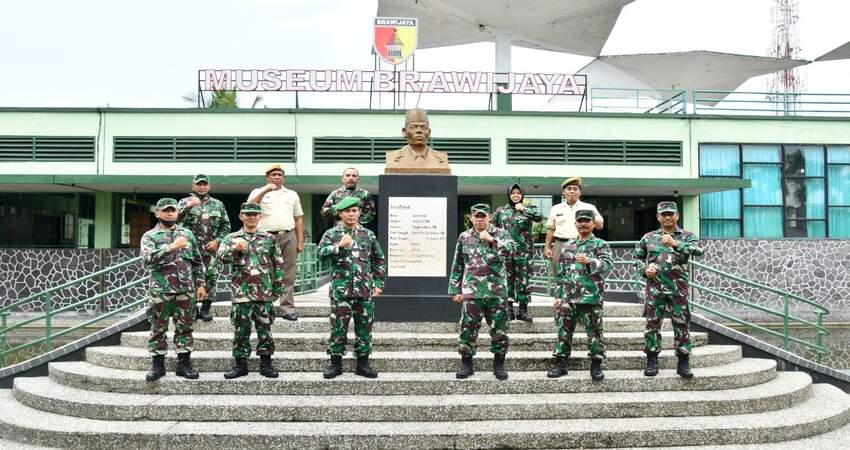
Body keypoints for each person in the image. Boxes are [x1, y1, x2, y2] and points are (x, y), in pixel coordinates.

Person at [317, 197, 386, 379]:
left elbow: (378, 259)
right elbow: (319, 255)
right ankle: (335, 364)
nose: (351, 214)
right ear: (340, 214)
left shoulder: (368, 235)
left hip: (364, 290)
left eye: (354, 211)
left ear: (359, 213)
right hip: (341, 290)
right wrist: (338, 246)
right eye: (347, 211)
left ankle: (362, 364)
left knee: (364, 328)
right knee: (338, 328)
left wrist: (378, 283)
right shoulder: (331, 234)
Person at [634, 201, 704, 379]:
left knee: (681, 325)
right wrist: (644, 270)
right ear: (658, 217)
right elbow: (637, 257)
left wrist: (675, 244)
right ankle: (652, 360)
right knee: (652, 325)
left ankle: (683, 362)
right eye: (663, 214)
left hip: (677, 289)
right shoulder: (648, 237)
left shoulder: (686, 235)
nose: (667, 217)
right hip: (655, 289)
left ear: (677, 216)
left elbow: (698, 251)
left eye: (670, 214)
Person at [140, 198, 205, 382]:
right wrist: (172, 247)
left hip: (185, 289)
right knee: (158, 328)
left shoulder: (187, 234)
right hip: (161, 290)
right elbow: (147, 259)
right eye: (166, 210)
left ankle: (184, 365)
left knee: (185, 327)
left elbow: (197, 262)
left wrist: (200, 284)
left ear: (177, 212)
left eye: (173, 210)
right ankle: (158, 366)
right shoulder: (150, 236)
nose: (170, 213)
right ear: (157, 213)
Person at [216, 202, 284, 379]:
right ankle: (240, 365)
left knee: (265, 330)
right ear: (241, 216)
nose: (252, 217)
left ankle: (266, 364)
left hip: (263, 292)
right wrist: (234, 249)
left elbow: (278, 264)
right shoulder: (231, 238)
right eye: (248, 214)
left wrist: (277, 287)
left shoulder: (268, 238)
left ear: (259, 217)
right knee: (241, 331)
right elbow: (221, 258)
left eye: (255, 214)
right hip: (241, 294)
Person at [448, 203, 516, 380]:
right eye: (476, 216)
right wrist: (455, 289)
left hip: (496, 292)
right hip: (472, 292)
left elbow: (512, 252)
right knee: (468, 330)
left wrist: (492, 240)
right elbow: (457, 264)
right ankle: (467, 364)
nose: (480, 220)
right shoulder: (464, 237)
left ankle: (499, 365)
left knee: (499, 331)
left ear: (490, 217)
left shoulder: (502, 234)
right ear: (471, 218)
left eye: (483, 216)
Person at [547, 210, 612, 381]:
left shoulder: (600, 244)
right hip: (569, 298)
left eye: (587, 221)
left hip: (591, 297)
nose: (583, 224)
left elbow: (607, 266)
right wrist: (558, 295)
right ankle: (561, 364)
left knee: (595, 333)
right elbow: (560, 273)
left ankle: (596, 365)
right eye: (580, 221)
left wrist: (590, 261)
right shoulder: (568, 246)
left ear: (593, 224)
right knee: (563, 331)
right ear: (575, 224)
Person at [248, 163, 304, 321]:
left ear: (284, 177)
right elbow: (250, 206)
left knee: (289, 272)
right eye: (273, 175)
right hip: (265, 237)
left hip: (288, 235)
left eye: (280, 174)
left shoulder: (292, 194)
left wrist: (300, 240)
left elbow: (298, 218)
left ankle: (287, 308)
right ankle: (265, 307)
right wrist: (267, 189)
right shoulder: (258, 192)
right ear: (267, 177)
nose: (277, 177)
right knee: (264, 271)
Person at [177, 174, 231, 322]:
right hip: (189, 249)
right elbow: (173, 221)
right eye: (199, 184)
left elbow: (226, 226)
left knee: (211, 277)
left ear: (209, 186)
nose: (202, 187)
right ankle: (192, 308)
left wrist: (217, 241)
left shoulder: (218, 204)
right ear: (193, 186)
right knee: (189, 277)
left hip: (210, 249)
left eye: (204, 184)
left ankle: (206, 309)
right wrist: (188, 207)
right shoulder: (183, 202)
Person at [493, 183, 544, 322]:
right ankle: (508, 309)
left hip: (524, 252)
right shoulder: (500, 211)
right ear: (509, 195)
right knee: (506, 280)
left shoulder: (529, 209)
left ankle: (523, 310)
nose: (516, 195)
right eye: (513, 193)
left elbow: (539, 217)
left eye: (518, 193)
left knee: (524, 281)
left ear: (522, 195)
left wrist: (524, 209)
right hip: (505, 253)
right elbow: (493, 229)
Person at [544, 177, 603, 275]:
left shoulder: (589, 207)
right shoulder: (555, 208)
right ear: (563, 192)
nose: (572, 191)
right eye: (569, 189)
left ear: (580, 192)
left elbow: (600, 226)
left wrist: (588, 214)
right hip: (560, 245)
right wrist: (547, 247)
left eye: (575, 189)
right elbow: (551, 229)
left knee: (582, 275)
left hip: (581, 245)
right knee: (558, 275)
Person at [384, 108, 451, 174]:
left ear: (429, 132)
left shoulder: (441, 158)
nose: (419, 131)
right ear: (404, 132)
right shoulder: (393, 158)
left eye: (424, 127)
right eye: (413, 127)